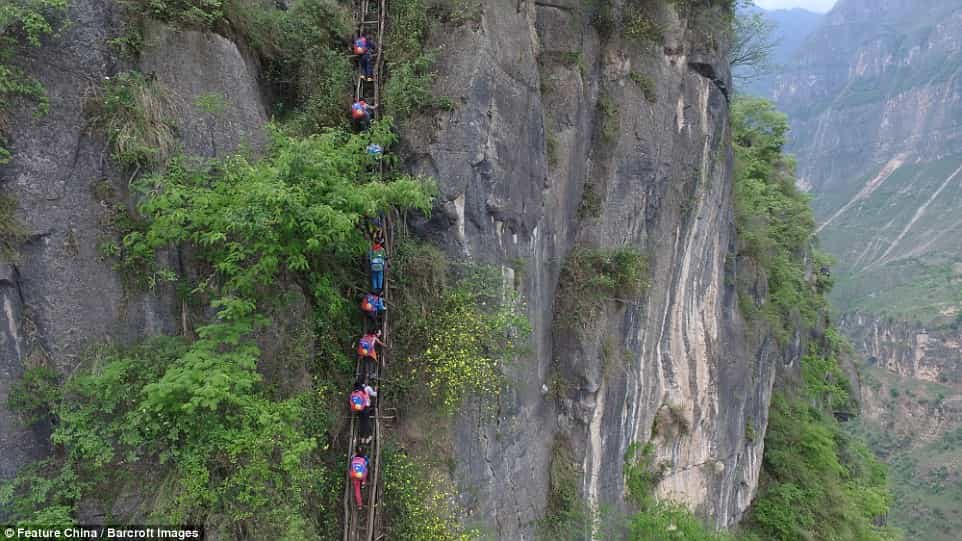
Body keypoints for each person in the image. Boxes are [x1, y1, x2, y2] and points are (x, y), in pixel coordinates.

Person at [349, 379, 378, 444]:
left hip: (358, 409)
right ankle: (369, 436)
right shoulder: (366, 389)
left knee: (361, 423)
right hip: (365, 408)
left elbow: (351, 401)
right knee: (366, 422)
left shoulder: (354, 392)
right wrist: (376, 390)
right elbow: (372, 395)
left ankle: (362, 438)